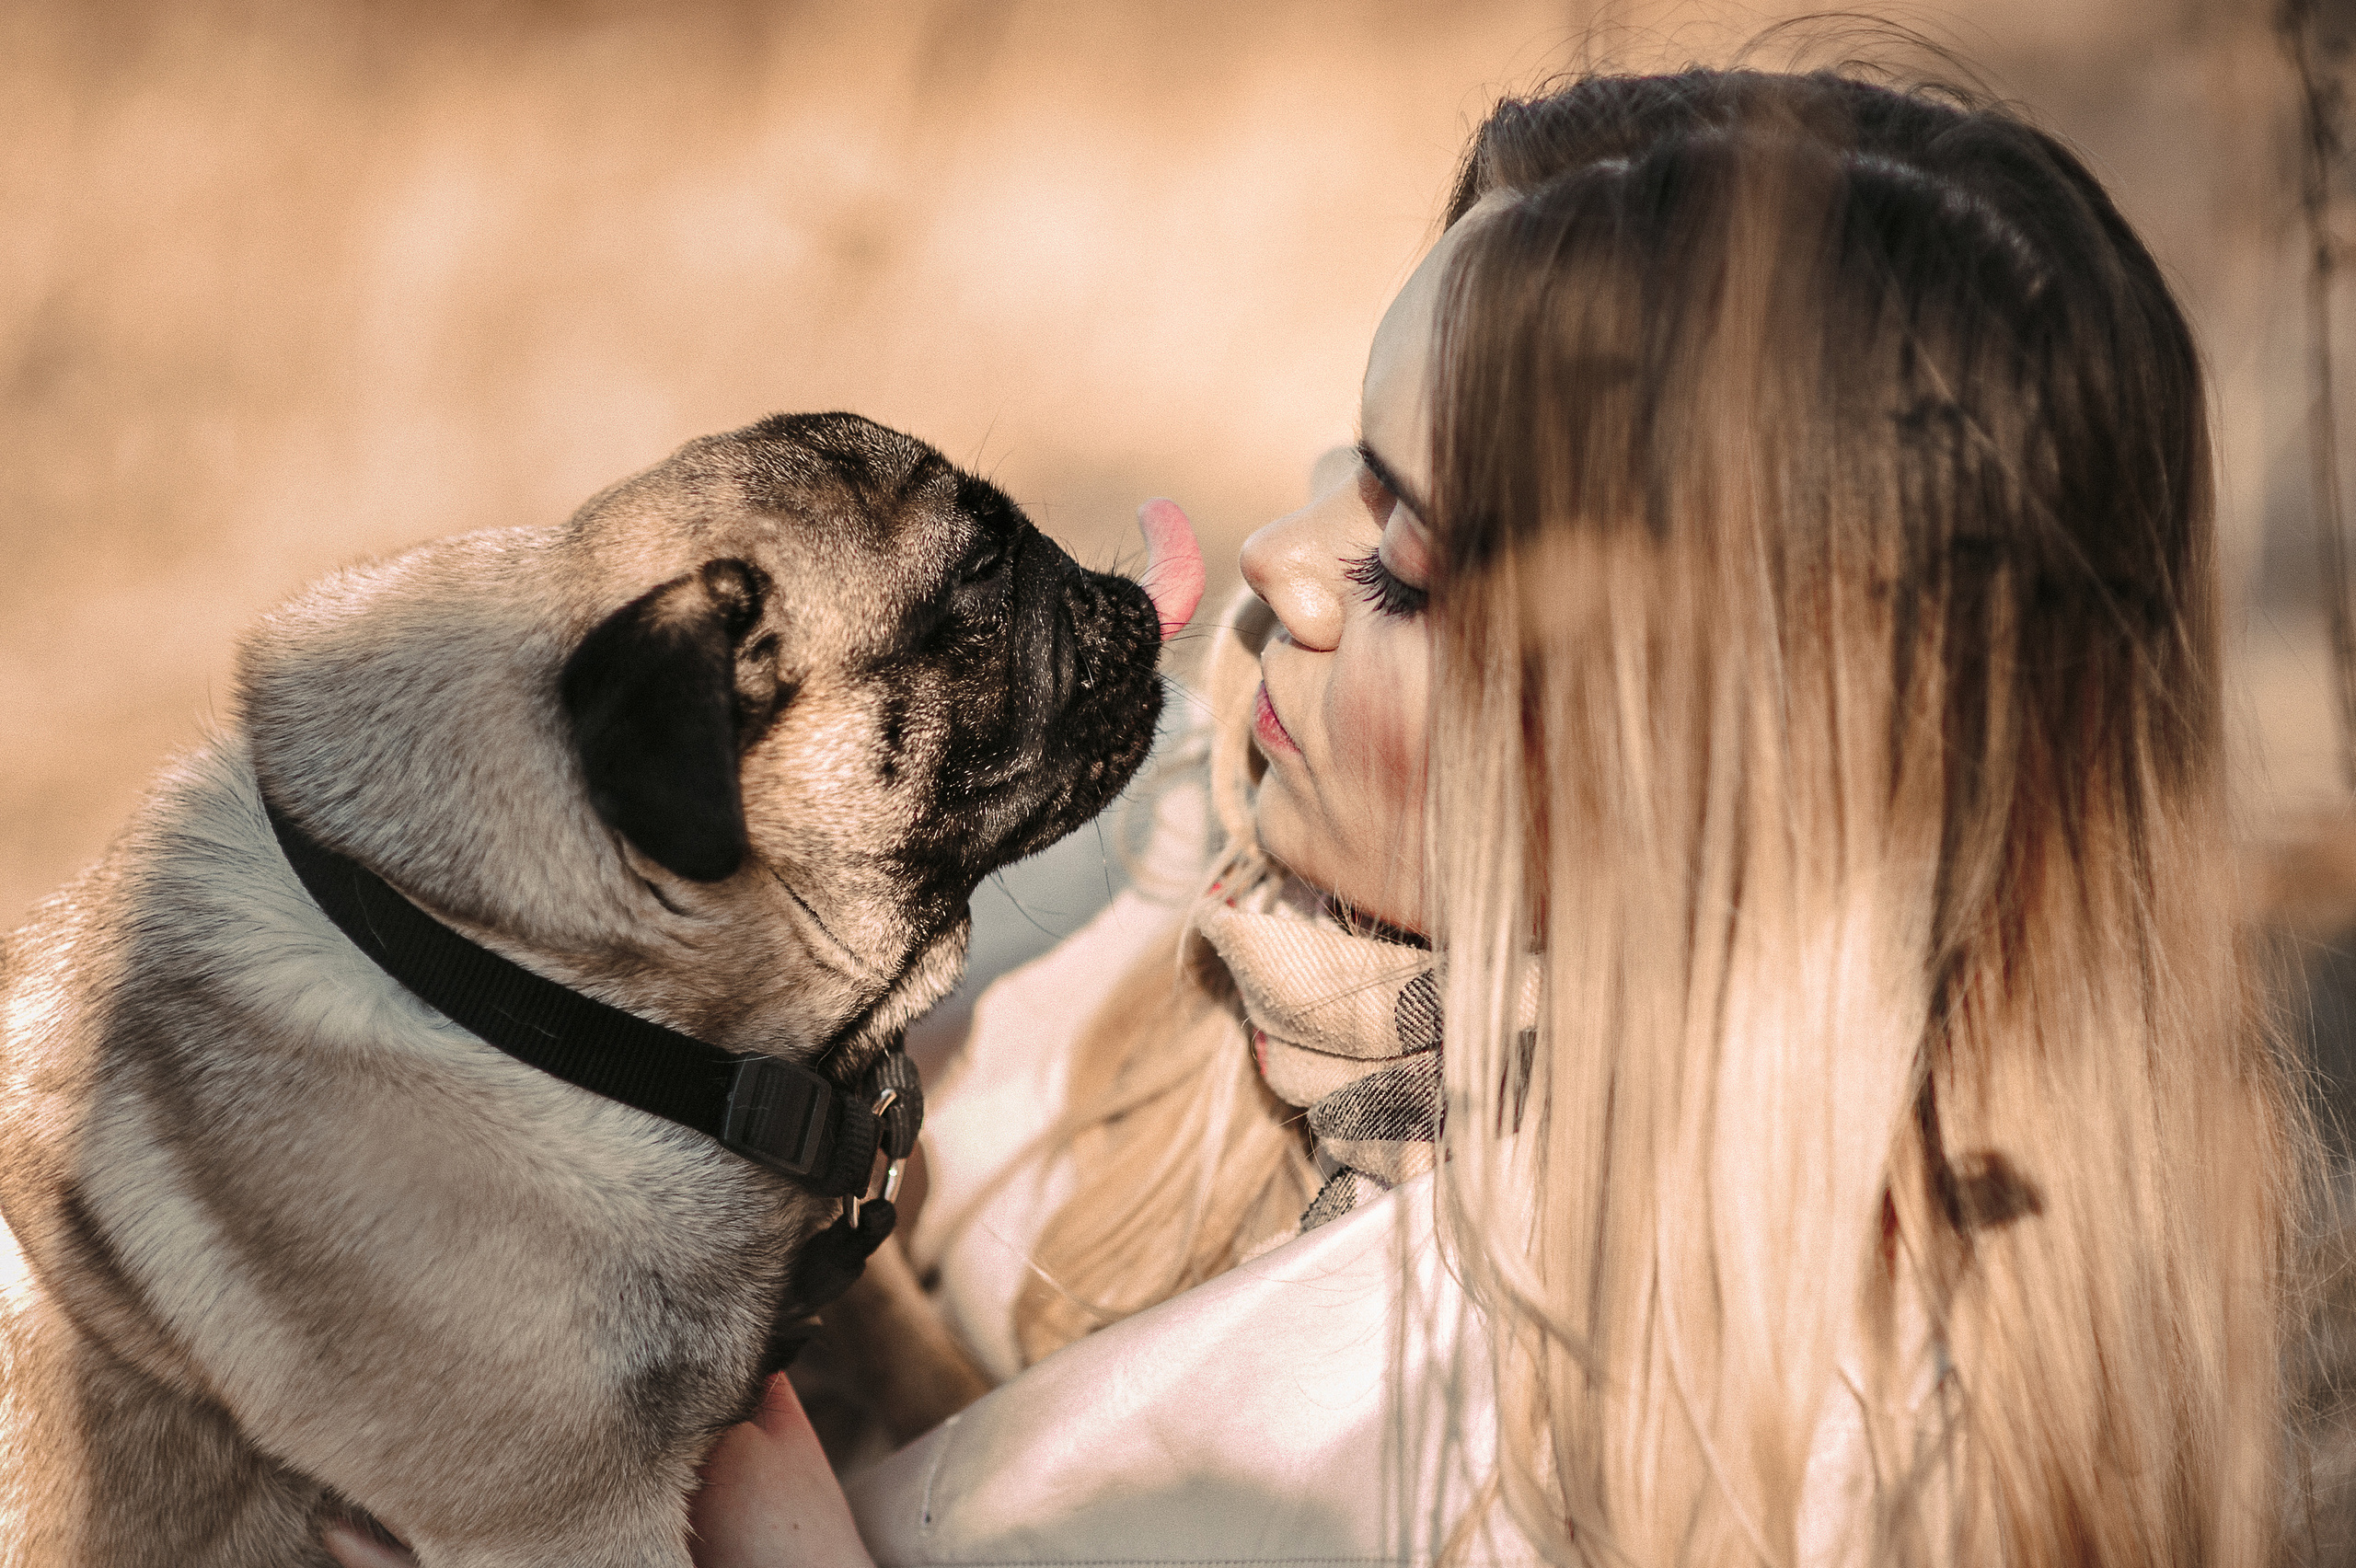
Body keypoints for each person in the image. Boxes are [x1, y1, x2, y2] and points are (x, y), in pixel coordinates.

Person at [332, 61, 2304, 1568]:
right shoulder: (1232, 864)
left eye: (1407, 571)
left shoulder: (1755, 1451)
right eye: (1343, 464)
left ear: (1716, 785)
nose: (1275, 559)